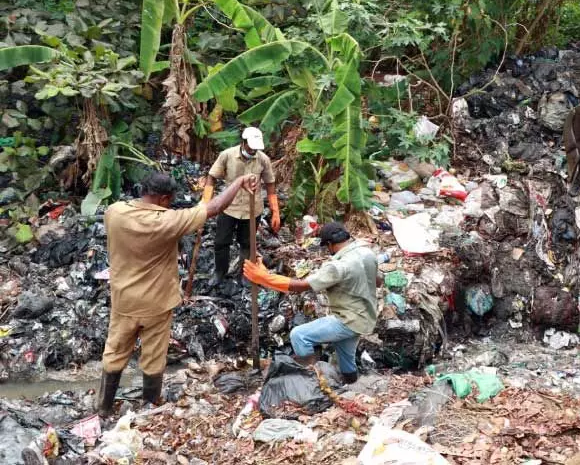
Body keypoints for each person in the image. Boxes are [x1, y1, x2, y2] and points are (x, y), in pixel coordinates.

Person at [97, 171, 258, 417]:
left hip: (124, 301)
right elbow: (213, 207)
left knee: (115, 352)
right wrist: (238, 182)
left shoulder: (114, 213)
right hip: (157, 304)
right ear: (163, 199)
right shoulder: (168, 221)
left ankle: (104, 408)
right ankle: (149, 408)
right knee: (153, 357)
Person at [243, 223, 378, 383]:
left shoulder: (337, 266)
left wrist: (264, 278)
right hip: (366, 317)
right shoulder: (367, 253)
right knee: (346, 361)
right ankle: (353, 387)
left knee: (299, 335)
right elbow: (378, 280)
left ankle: (310, 380)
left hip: (348, 320)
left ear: (329, 244)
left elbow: (301, 286)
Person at [204, 127, 279, 285]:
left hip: (252, 209)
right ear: (243, 142)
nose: (253, 151)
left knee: (247, 244)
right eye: (250, 147)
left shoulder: (263, 159)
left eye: (255, 148)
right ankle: (220, 272)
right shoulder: (227, 155)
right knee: (221, 242)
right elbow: (212, 177)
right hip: (229, 207)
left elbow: (270, 184)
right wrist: (206, 201)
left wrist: (275, 211)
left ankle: (245, 274)